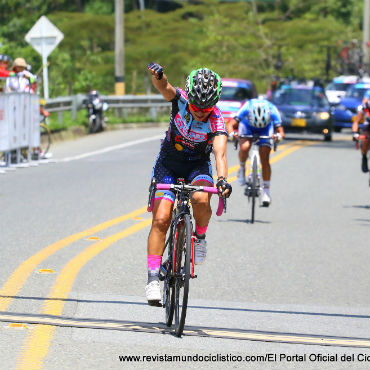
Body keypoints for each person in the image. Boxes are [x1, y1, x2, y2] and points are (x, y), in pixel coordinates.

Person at [145, 62, 232, 304]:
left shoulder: (216, 120)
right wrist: (160, 76)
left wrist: (223, 180)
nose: (201, 112)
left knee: (202, 198)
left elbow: (220, 154)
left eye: (207, 108)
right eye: (197, 107)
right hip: (169, 165)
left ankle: (200, 237)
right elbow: (165, 88)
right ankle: (153, 278)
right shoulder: (180, 100)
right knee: (161, 218)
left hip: (197, 167)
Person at [227, 98, 285, 207]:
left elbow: (281, 131)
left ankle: (266, 192)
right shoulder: (246, 107)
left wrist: (278, 137)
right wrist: (232, 134)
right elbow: (230, 125)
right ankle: (242, 167)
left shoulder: (272, 110)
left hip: (265, 129)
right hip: (247, 127)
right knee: (244, 147)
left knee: (265, 157)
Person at [352, 89, 370, 173]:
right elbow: (356, 122)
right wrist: (355, 133)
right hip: (369, 124)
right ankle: (364, 156)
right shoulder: (366, 106)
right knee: (365, 140)